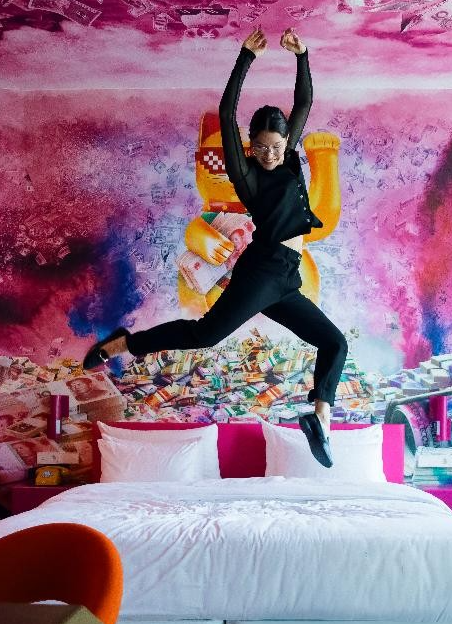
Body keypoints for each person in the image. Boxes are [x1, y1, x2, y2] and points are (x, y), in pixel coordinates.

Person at [84, 26, 347, 467]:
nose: (269, 154)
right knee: (204, 335)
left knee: (335, 343)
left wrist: (302, 55)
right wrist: (246, 57)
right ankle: (123, 343)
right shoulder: (248, 176)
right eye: (260, 147)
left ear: (286, 143)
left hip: (287, 276)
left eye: (276, 147)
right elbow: (227, 112)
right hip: (262, 270)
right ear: (251, 147)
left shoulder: (288, 159)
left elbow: (303, 103)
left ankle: (320, 420)